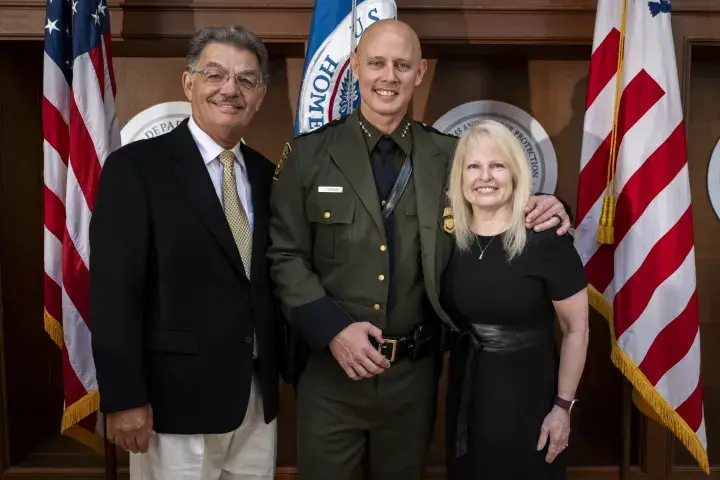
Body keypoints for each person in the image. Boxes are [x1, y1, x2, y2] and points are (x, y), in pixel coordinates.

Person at [267, 18, 573, 480]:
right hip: (330, 372)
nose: (388, 76)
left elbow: (502, 200)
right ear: (354, 68)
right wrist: (332, 330)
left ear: (420, 72)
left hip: (414, 374)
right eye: (376, 63)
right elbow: (284, 254)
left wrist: (555, 205)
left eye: (401, 65)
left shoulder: (449, 156)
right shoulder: (308, 156)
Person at [89, 25, 282, 479]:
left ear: (260, 95)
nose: (229, 89)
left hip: (254, 403)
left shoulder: (265, 174)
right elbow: (114, 294)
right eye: (215, 74)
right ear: (189, 82)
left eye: (246, 80)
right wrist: (124, 398)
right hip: (170, 408)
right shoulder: (136, 168)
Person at [440, 120, 589, 479]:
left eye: (497, 165)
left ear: (516, 172)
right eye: (473, 166)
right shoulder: (447, 241)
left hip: (531, 397)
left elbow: (576, 330)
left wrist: (562, 406)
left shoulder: (546, 239)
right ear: (459, 177)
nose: (485, 176)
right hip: (468, 393)